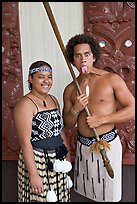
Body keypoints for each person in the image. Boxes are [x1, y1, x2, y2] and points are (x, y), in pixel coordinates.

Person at [62, 34, 135, 202]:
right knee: (90, 194)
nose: (83, 60)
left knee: (108, 196)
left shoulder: (111, 80)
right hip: (83, 147)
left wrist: (102, 119)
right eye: (77, 55)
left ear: (94, 56)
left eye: (86, 54)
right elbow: (67, 123)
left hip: (107, 145)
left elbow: (133, 109)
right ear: (72, 59)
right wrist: (76, 109)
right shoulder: (71, 89)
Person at [14, 60, 73, 202]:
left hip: (58, 159)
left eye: (49, 76)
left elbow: (60, 131)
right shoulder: (25, 104)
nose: (46, 81)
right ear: (31, 78)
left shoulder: (53, 99)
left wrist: (67, 156)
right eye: (41, 76)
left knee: (61, 197)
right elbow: (25, 142)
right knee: (40, 198)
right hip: (37, 161)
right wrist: (34, 174)